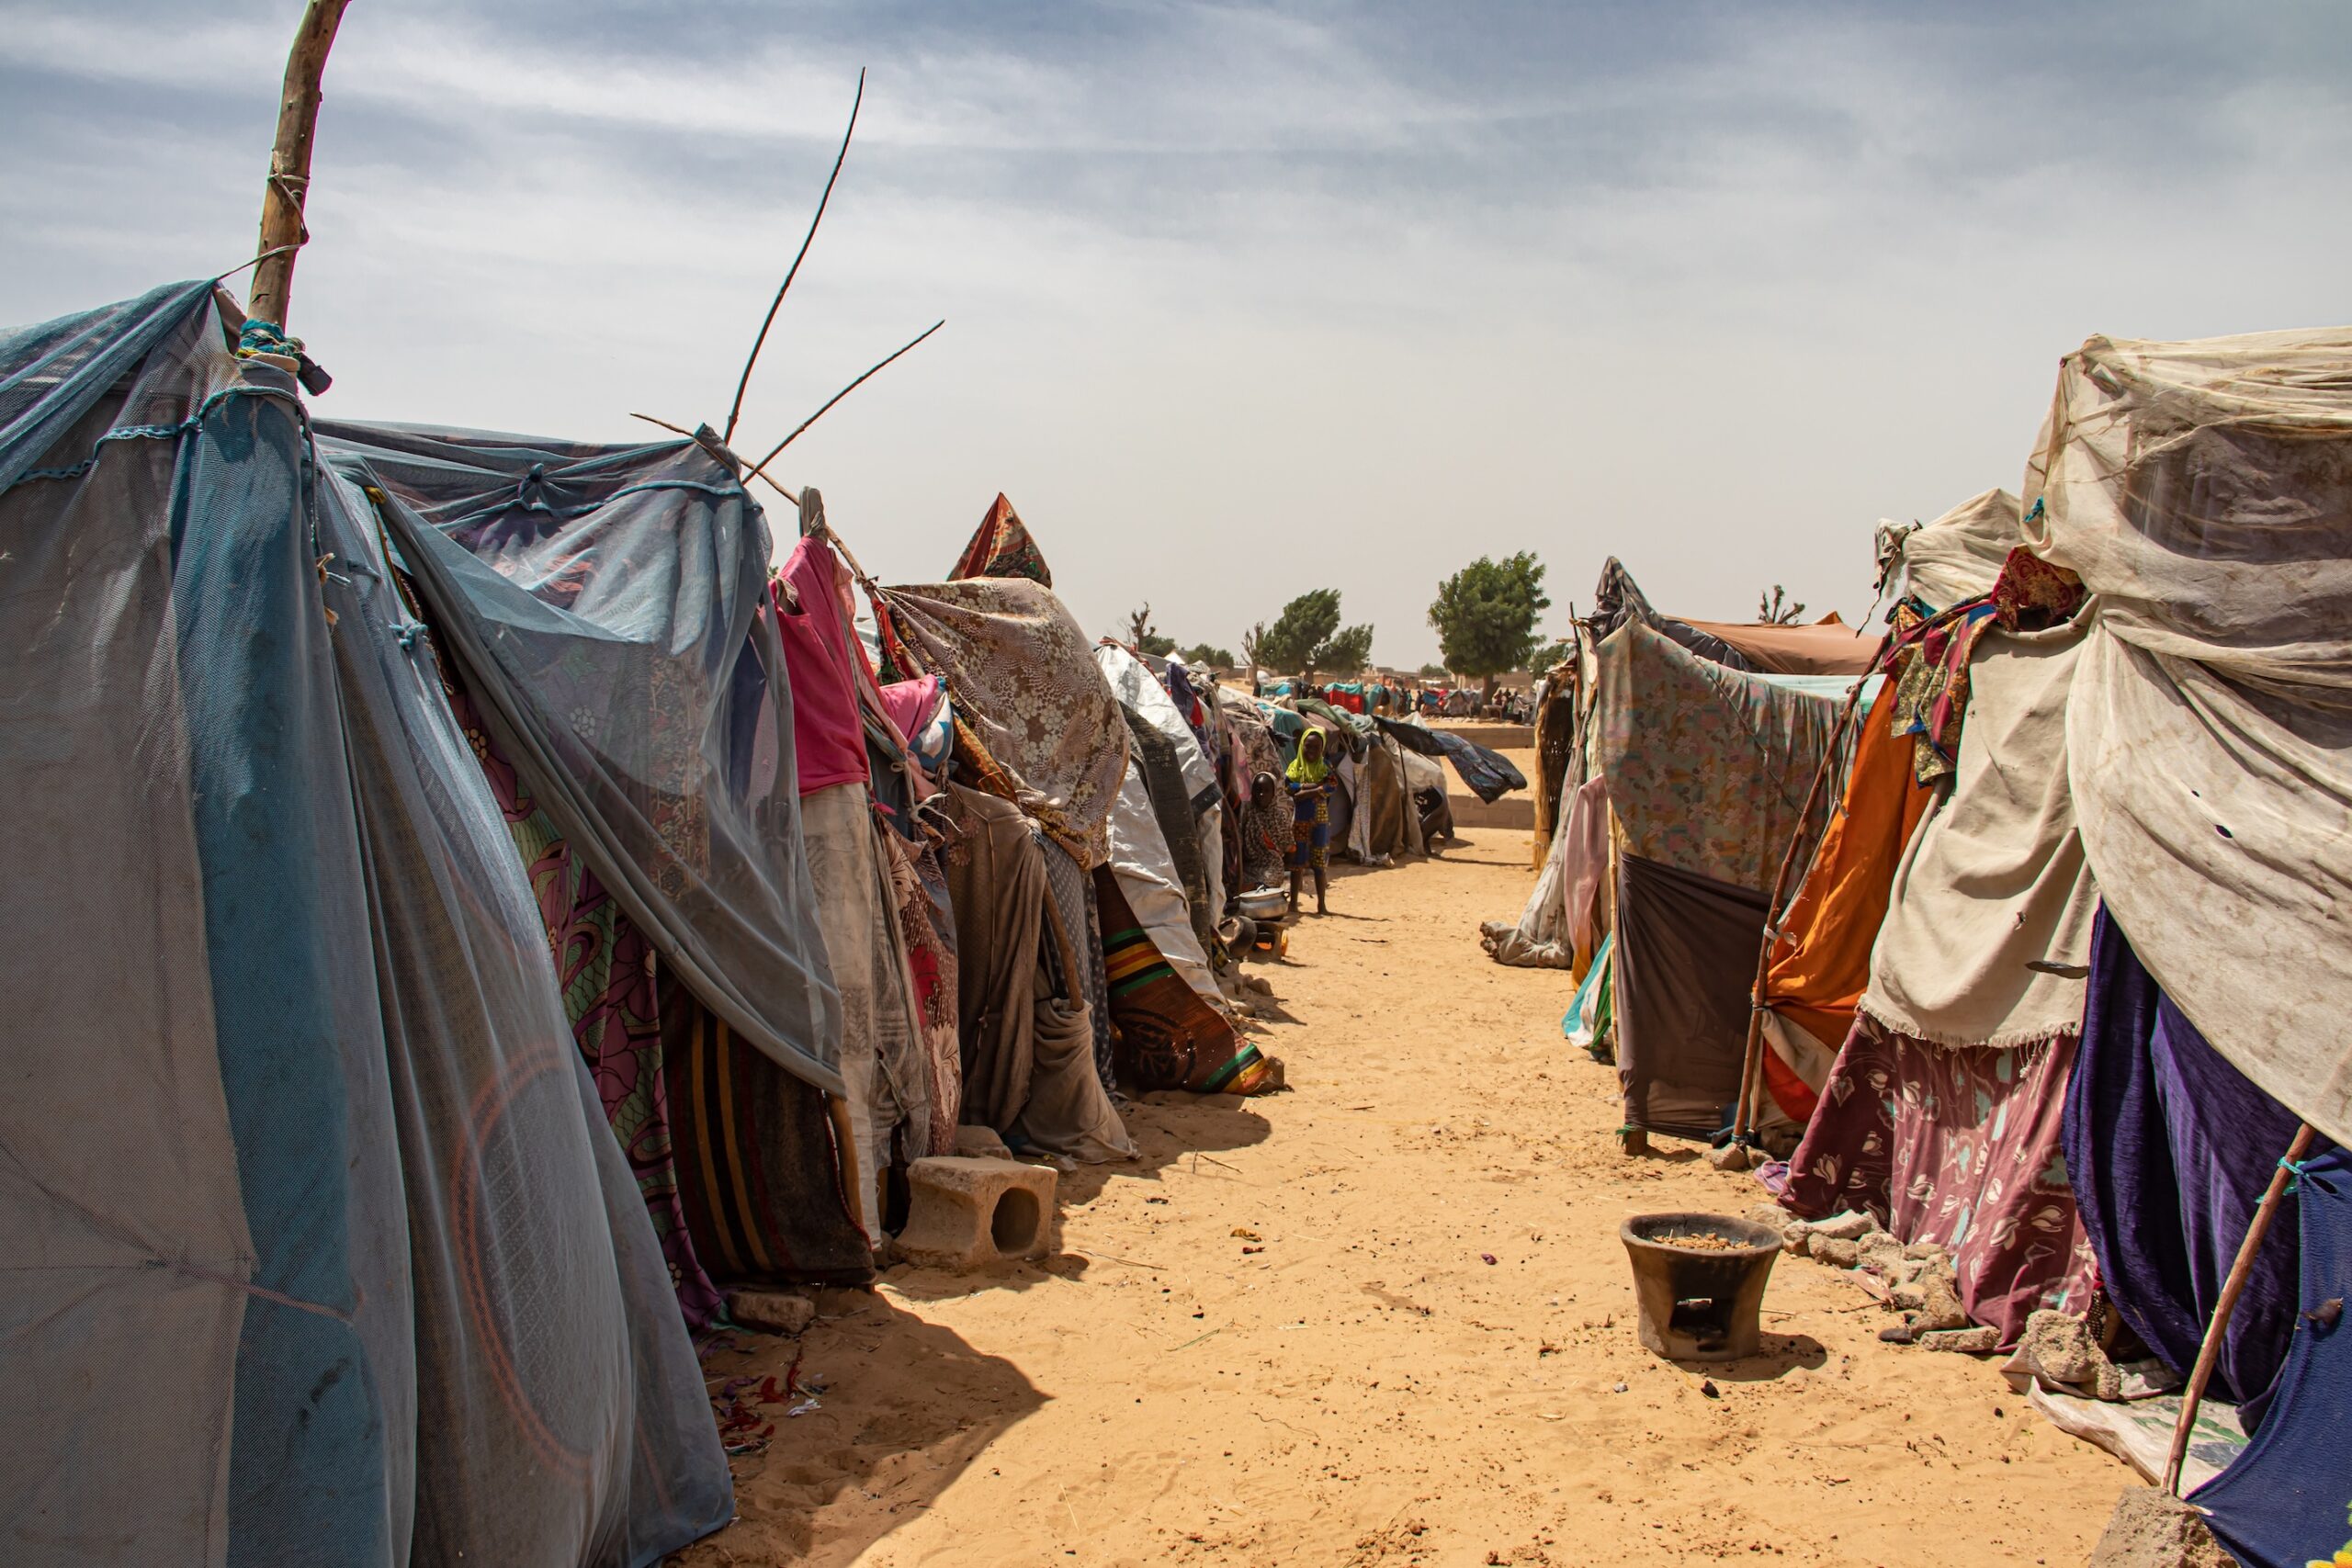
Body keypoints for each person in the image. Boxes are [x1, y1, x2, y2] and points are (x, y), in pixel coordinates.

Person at [1286, 728, 1332, 917]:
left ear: (1322, 749)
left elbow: (1331, 786)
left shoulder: (1326, 767)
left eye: (1317, 747)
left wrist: (1305, 793)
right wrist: (1314, 787)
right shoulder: (1294, 767)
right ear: (1301, 746)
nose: (1312, 750)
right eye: (1308, 746)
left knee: (1319, 864)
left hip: (1320, 822)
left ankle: (1322, 906)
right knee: (1298, 863)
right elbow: (1288, 787)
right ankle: (1294, 904)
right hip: (1300, 822)